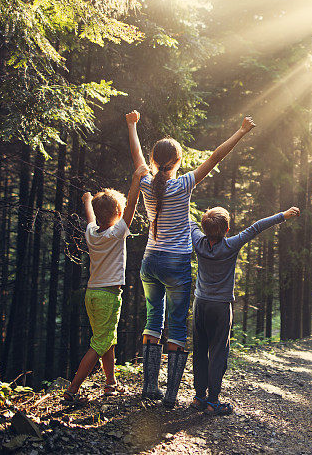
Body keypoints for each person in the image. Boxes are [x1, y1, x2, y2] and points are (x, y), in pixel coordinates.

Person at [126, 110, 256, 408]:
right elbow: (214, 157)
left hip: (150, 261)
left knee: (152, 320)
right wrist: (241, 132)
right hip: (176, 263)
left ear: (154, 160)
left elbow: (136, 159)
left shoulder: (145, 181)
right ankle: (170, 396)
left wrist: (132, 126)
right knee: (177, 326)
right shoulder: (184, 184)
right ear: (179, 161)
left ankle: (149, 387)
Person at [189, 205, 300, 415]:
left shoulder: (197, 240)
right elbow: (256, 227)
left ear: (204, 228)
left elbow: (188, 220)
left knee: (200, 351)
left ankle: (198, 398)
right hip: (221, 307)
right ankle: (213, 401)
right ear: (227, 229)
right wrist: (283, 216)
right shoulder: (231, 244)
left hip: (200, 304)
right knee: (218, 352)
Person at [61, 163, 149, 404]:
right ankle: (72, 389)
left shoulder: (91, 231)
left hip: (92, 294)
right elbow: (131, 205)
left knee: (106, 337)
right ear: (119, 214)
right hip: (108, 296)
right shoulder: (117, 232)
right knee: (100, 341)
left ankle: (111, 383)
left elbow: (91, 216)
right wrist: (136, 180)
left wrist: (87, 200)